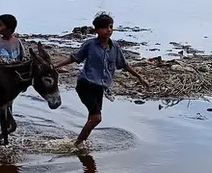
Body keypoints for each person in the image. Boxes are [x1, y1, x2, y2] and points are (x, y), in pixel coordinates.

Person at [53, 13, 149, 147]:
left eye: (110, 27)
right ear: (97, 30)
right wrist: (55, 66)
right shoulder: (90, 45)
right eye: (104, 28)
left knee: (92, 117)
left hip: (99, 88)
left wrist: (139, 77)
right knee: (96, 118)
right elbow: (74, 58)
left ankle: (81, 143)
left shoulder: (114, 47)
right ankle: (77, 145)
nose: (108, 30)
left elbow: (124, 65)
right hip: (85, 85)